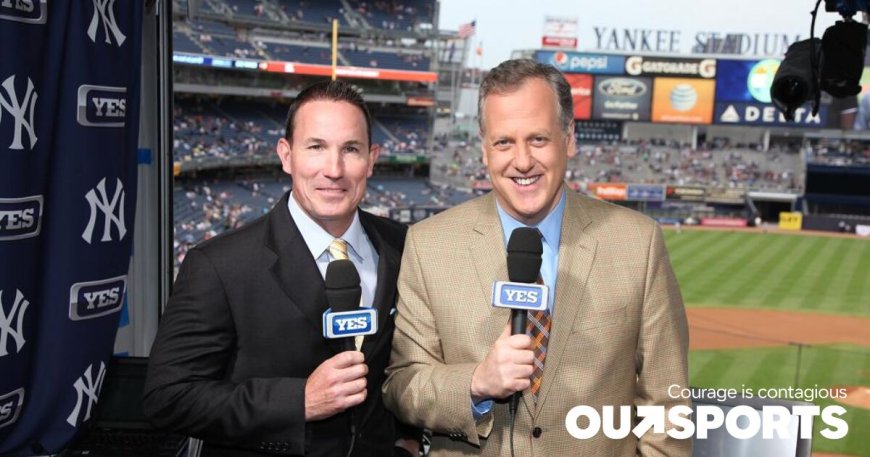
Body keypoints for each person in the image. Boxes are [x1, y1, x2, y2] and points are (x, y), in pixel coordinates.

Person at [382, 59, 690, 456]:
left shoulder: (637, 243)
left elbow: (667, 403)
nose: (522, 161)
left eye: (538, 139)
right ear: (484, 149)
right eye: (504, 142)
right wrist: (476, 383)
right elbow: (402, 385)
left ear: (569, 138)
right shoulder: (429, 245)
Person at [144, 80, 419, 457]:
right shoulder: (219, 265)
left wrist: (405, 439)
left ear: (372, 158)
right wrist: (299, 401)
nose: (334, 169)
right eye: (316, 147)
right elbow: (168, 396)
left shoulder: (402, 245)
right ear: (286, 155)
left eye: (350, 149)